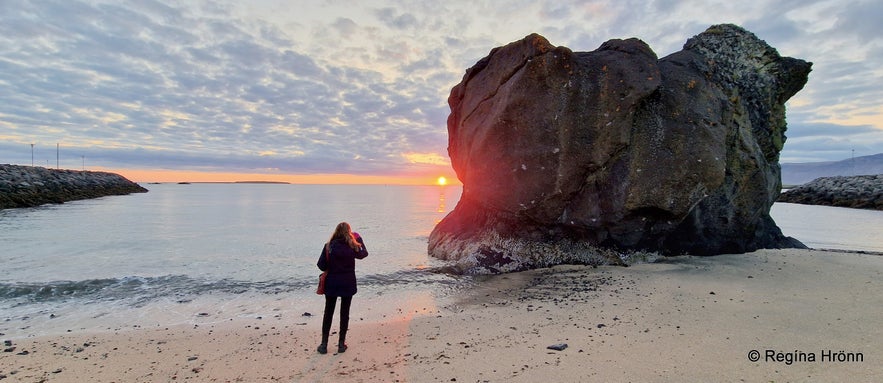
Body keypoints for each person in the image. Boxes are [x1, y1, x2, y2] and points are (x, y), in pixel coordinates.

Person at [316, 222, 368, 354]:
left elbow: (321, 266)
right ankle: (341, 344)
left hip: (332, 283)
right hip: (347, 283)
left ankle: (324, 345)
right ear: (349, 233)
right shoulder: (352, 246)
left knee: (328, 313)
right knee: (344, 313)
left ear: (336, 232)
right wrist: (359, 239)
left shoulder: (328, 247)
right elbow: (364, 254)